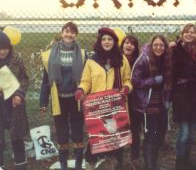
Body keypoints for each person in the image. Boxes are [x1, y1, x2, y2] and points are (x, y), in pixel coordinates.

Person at [75, 27, 132, 170]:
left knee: (115, 141)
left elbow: (128, 79)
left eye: (110, 39)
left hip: (116, 108)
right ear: (99, 42)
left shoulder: (122, 59)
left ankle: (113, 165)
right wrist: (81, 90)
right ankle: (90, 164)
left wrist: (126, 88)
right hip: (97, 108)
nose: (107, 42)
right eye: (104, 39)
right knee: (96, 140)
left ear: (115, 41)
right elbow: (86, 81)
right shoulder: (91, 61)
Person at [40, 22, 86, 170]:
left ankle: (79, 163)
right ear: (62, 33)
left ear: (76, 35)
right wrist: (43, 102)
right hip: (58, 99)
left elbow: (86, 79)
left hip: (76, 100)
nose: (69, 34)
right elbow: (46, 81)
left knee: (78, 131)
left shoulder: (83, 54)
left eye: (72, 32)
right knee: (62, 133)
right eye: (66, 31)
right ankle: (63, 164)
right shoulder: (49, 56)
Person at [131, 34, 172, 170]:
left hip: (162, 102)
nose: (158, 48)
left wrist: (167, 99)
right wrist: (153, 81)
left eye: (161, 45)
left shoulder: (167, 60)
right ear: (151, 45)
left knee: (162, 131)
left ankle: (153, 161)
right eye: (156, 45)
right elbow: (135, 82)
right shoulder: (143, 60)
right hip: (147, 103)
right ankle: (150, 165)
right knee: (152, 133)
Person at [172, 23, 196, 170]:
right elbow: (175, 71)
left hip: (195, 96)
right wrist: (194, 68)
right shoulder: (176, 49)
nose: (189, 34)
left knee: (192, 134)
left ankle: (186, 159)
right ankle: (179, 162)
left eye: (192, 32)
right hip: (181, 96)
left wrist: (195, 71)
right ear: (182, 34)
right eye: (186, 32)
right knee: (184, 133)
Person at [0, 31, 29, 170]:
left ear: (9, 47)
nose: (2, 52)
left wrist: (19, 95)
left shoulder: (16, 58)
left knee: (17, 137)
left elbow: (24, 78)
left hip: (14, 104)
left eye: (5, 48)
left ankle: (21, 165)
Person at [120, 35, 142, 168]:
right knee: (119, 128)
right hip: (119, 98)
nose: (129, 46)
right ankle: (118, 158)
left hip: (134, 99)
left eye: (132, 44)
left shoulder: (138, 61)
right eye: (126, 43)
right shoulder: (115, 59)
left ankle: (135, 158)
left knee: (134, 129)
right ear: (122, 45)